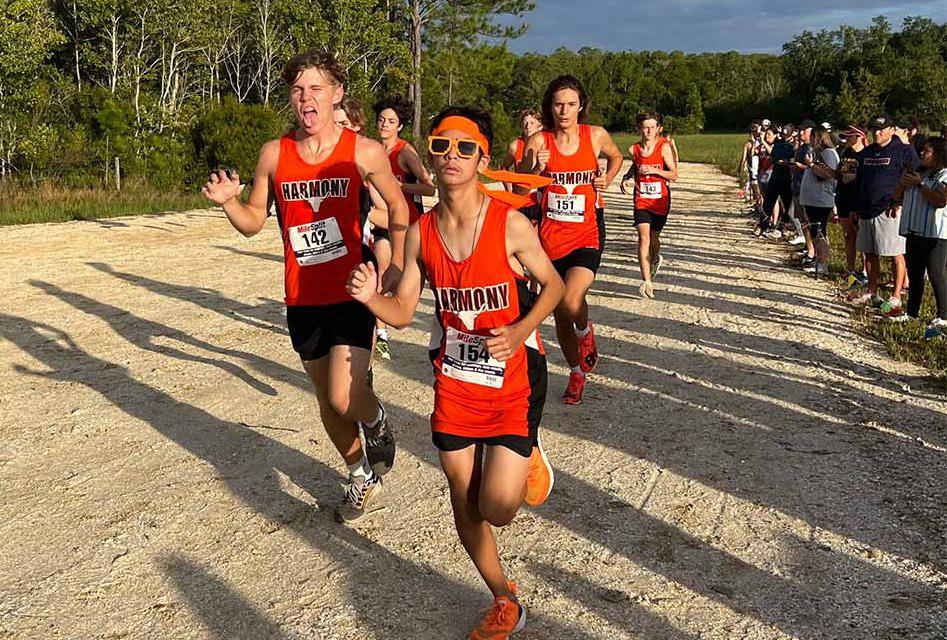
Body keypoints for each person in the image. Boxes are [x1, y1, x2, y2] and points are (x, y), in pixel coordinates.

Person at [347, 106, 563, 639]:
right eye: (442, 145)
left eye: (466, 148)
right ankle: (504, 598)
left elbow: (554, 286)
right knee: (464, 500)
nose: (452, 156)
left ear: (482, 160)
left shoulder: (509, 224)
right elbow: (402, 311)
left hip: (511, 381)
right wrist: (371, 298)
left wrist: (520, 329)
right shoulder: (421, 235)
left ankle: (527, 457)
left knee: (498, 508)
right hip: (455, 382)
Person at [201, 52, 406, 523]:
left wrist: (393, 266)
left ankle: (375, 418)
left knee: (342, 395)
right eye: (297, 90)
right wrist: (230, 203)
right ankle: (359, 474)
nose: (306, 98)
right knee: (325, 399)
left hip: (353, 290)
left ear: (336, 94)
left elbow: (398, 207)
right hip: (302, 296)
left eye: (316, 88)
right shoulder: (274, 154)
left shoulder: (363, 151)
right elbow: (254, 221)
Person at [519, 75, 623, 405]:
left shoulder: (594, 136)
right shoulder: (539, 140)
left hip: (586, 235)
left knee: (571, 298)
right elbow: (520, 188)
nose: (564, 111)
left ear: (581, 106)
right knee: (560, 314)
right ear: (550, 107)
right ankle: (576, 373)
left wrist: (608, 177)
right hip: (550, 241)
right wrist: (535, 168)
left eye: (570, 104)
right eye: (558, 104)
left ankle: (585, 331)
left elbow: (616, 156)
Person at [373, 97, 436, 360]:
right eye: (381, 120)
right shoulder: (372, 151)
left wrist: (399, 186)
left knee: (409, 283)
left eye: (391, 121)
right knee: (381, 268)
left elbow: (429, 188)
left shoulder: (405, 152)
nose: (384, 125)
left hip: (408, 225)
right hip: (382, 222)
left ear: (400, 126)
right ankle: (381, 336)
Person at [849, 114, 922, 311]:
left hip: (889, 209)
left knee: (895, 253)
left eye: (881, 129)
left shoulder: (904, 151)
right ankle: (872, 291)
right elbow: (860, 181)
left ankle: (896, 296)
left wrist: (899, 202)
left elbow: (915, 176)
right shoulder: (867, 152)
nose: (877, 133)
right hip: (866, 209)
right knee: (869, 252)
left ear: (891, 130)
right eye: (874, 130)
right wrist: (855, 207)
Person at [890, 137, 947, 332]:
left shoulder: (943, 175)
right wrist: (903, 183)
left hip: (935, 234)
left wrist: (920, 184)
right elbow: (896, 196)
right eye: (922, 150)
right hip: (913, 230)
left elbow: (940, 201)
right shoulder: (919, 172)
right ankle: (911, 313)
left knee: (936, 274)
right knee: (915, 274)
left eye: (927, 151)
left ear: (938, 154)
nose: (922, 153)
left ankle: (943, 317)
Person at [620, 112, 678, 297]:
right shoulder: (633, 149)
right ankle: (646, 281)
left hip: (660, 200)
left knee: (653, 238)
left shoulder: (664, 147)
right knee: (643, 238)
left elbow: (674, 175)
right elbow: (636, 165)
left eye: (652, 127)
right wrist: (627, 177)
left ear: (659, 129)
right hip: (641, 200)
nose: (649, 131)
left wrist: (654, 170)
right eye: (645, 127)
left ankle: (654, 259)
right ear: (639, 129)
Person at [799, 125, 839, 276]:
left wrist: (811, 165)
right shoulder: (818, 152)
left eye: (812, 137)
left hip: (821, 200)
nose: (810, 140)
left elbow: (829, 174)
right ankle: (818, 258)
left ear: (819, 137)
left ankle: (823, 262)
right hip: (812, 200)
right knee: (814, 231)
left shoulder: (829, 153)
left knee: (819, 231)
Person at [835, 124, 869, 290]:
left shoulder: (867, 154)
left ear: (860, 137)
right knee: (848, 235)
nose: (847, 139)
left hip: (857, 198)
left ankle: (864, 271)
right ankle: (850, 269)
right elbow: (839, 172)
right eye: (846, 136)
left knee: (861, 237)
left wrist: (854, 177)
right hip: (843, 196)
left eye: (851, 136)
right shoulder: (846, 152)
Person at [502, 107, 544, 223]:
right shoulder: (515, 146)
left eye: (532, 123)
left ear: (540, 126)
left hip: (540, 199)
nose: (528, 126)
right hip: (521, 199)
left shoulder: (546, 144)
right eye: (525, 123)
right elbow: (504, 168)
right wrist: (509, 192)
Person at [759, 125, 795, 238]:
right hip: (776, 176)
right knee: (768, 204)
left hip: (787, 178)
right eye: (783, 135)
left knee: (788, 205)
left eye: (786, 135)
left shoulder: (794, 145)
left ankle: (782, 227)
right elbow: (773, 155)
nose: (784, 137)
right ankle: (763, 227)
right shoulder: (779, 144)